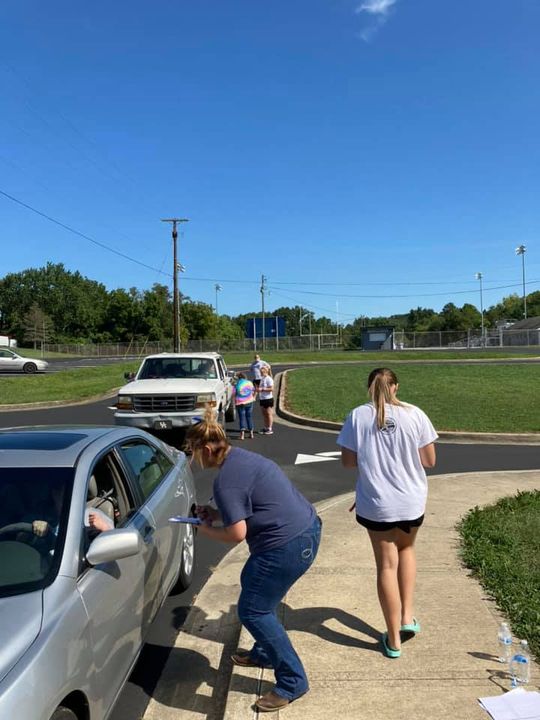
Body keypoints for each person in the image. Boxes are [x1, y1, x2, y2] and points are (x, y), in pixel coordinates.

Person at [186, 409, 322, 712]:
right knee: (253, 582)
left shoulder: (227, 482)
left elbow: (236, 534)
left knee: (253, 610)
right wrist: (218, 514)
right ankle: (263, 651)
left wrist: (205, 529)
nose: (194, 459)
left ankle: (292, 681)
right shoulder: (242, 459)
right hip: (305, 530)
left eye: (194, 452)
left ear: (207, 449)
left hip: (286, 545)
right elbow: (250, 507)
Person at [337, 367, 437, 659]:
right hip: (411, 500)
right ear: (396, 387)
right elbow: (429, 460)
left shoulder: (357, 416)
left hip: (377, 502)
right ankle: (408, 617)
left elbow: (347, 462)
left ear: (369, 387)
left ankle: (393, 639)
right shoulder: (416, 414)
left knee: (386, 566)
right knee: (406, 550)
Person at [233, 372, 256, 440]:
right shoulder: (249, 382)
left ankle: (242, 434)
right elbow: (253, 390)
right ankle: (251, 433)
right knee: (249, 417)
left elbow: (234, 394)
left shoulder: (236, 384)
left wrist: (234, 402)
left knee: (242, 417)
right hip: (249, 401)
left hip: (240, 402)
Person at [258, 364, 274, 435]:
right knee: (264, 414)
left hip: (268, 399)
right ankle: (265, 427)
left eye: (261, 372)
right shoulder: (262, 378)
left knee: (269, 414)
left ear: (265, 372)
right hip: (262, 398)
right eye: (260, 372)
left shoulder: (268, 379)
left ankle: (270, 428)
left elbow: (271, 389)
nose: (260, 373)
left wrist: (262, 389)